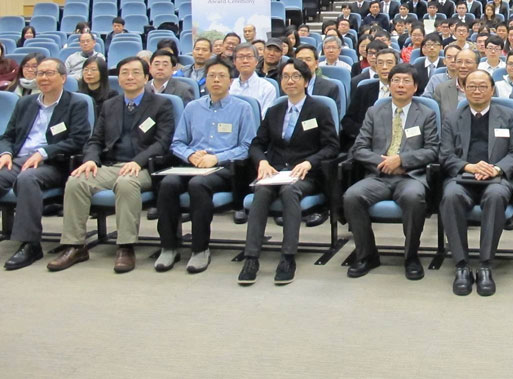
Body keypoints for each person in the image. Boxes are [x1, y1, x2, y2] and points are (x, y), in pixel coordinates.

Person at [47, 56, 176, 274]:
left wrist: (138, 161)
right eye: (125, 72)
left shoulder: (161, 104)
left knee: (126, 184)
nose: (130, 77)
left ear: (146, 77)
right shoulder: (110, 105)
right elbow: (95, 139)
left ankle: (125, 247)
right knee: (77, 181)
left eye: (136, 72)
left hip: (144, 167)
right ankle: (75, 246)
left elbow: (162, 142)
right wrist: (90, 160)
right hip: (111, 164)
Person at [237, 60, 339, 286]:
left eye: (295, 76)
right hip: (274, 171)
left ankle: (287, 257)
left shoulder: (319, 109)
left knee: (289, 191)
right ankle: (251, 257)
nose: (290, 81)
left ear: (306, 80)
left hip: (305, 174)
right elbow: (256, 144)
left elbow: (331, 146)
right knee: (261, 192)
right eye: (285, 76)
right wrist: (262, 162)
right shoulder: (275, 110)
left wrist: (309, 163)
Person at [155, 56, 257, 274]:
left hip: (224, 168)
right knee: (168, 184)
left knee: (197, 185)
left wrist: (216, 158)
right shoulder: (192, 107)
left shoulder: (242, 109)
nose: (216, 80)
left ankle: (200, 249)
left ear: (231, 81)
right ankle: (169, 246)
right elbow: (177, 143)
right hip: (192, 164)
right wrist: (191, 155)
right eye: (211, 76)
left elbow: (247, 147)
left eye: (222, 76)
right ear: (205, 80)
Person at [344, 63, 440, 280]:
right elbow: (359, 148)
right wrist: (383, 162)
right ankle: (367, 255)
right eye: (396, 80)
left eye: (407, 81)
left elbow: (433, 150)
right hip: (379, 174)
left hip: (410, 175)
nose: (400, 85)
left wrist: (401, 160)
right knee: (351, 196)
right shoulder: (375, 111)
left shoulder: (426, 114)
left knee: (414, 197)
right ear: (389, 85)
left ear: (415, 87)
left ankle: (411, 256)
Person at [439, 70, 513, 296]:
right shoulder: (452, 118)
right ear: (464, 89)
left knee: (496, 196)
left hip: (496, 178)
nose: (477, 91)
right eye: (471, 86)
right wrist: (470, 167)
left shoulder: (508, 115)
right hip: (463, 176)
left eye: (482, 86)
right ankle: (462, 266)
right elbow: (445, 155)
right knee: (450, 196)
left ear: (492, 90)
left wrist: (495, 169)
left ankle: (486, 265)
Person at [0, 58, 91, 270]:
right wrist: (5, 153)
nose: (43, 78)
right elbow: (8, 136)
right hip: (18, 159)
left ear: (63, 77)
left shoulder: (76, 103)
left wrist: (43, 152)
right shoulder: (25, 103)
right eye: (40, 73)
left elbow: (78, 139)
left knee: (27, 179)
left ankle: (30, 244)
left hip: (53, 164)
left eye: (49, 73)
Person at [342, 49, 397, 143]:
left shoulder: (403, 91)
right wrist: (366, 134)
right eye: (380, 63)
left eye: (389, 63)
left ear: (396, 66)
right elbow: (348, 121)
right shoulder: (363, 90)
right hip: (364, 140)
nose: (384, 67)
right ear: (375, 66)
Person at [229, 42, 279, 117]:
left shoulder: (267, 88)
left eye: (249, 57)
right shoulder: (229, 86)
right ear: (234, 62)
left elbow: (265, 119)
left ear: (256, 61)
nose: (245, 61)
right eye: (241, 57)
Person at [432, 47, 478, 122]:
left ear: (477, 65)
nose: (463, 66)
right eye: (459, 62)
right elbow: (436, 121)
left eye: (468, 62)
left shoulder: (487, 88)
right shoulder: (441, 89)